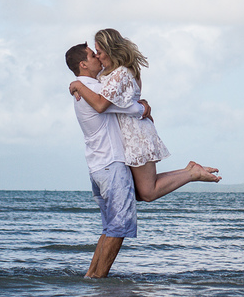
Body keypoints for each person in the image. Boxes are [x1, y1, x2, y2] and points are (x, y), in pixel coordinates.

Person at [69, 28, 220, 201]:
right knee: (138, 192)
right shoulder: (108, 74)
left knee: (147, 192)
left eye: (100, 52)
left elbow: (101, 104)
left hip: (135, 135)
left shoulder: (122, 73)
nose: (98, 57)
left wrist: (78, 86)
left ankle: (192, 174)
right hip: (124, 136)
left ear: (111, 51)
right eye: (95, 53)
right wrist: (77, 87)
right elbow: (106, 96)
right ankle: (190, 171)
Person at [65, 42, 150, 278]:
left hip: (97, 167)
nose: (99, 59)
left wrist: (76, 84)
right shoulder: (93, 89)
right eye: (93, 56)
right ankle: (99, 282)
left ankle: (91, 277)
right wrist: (142, 108)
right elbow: (124, 107)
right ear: (83, 64)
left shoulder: (85, 88)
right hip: (111, 164)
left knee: (110, 227)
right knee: (119, 226)